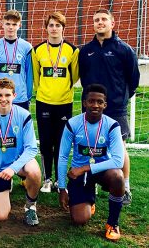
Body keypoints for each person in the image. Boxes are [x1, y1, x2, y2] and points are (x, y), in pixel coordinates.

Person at [79, 9, 140, 205]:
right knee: (92, 147)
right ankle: (92, 186)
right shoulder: (86, 50)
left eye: (104, 19)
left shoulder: (124, 50)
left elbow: (134, 79)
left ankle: (126, 187)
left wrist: (120, 99)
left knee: (119, 148)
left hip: (115, 109)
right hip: (91, 109)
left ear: (112, 24)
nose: (100, 23)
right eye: (96, 20)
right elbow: (83, 76)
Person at [58, 84, 125, 241]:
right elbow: (62, 157)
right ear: (84, 102)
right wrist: (62, 189)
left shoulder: (112, 125)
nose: (95, 105)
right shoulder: (72, 124)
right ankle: (88, 199)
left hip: (101, 172)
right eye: (91, 101)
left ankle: (113, 224)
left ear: (105, 105)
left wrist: (85, 168)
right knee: (79, 219)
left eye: (100, 102)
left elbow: (118, 160)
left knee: (118, 177)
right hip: (78, 174)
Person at [0, 78, 41, 226]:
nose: (3, 99)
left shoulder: (24, 115)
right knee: (1, 216)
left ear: (14, 95)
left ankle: (30, 206)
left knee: (34, 172)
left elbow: (31, 148)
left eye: (7, 95)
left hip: (17, 164)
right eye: (0, 95)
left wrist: (12, 168)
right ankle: (5, 186)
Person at [32, 11, 79, 193]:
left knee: (61, 142)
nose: (54, 28)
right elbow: (36, 78)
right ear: (46, 28)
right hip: (44, 101)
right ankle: (47, 179)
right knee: (45, 141)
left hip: (64, 102)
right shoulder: (37, 50)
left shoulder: (72, 50)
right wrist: (45, 90)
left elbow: (74, 76)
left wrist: (62, 88)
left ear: (63, 28)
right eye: (51, 25)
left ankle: (60, 179)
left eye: (57, 25)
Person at [0, 10, 33, 110]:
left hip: (19, 98)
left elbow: (29, 74)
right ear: (2, 24)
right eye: (8, 24)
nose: (11, 27)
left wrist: (28, 96)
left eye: (14, 24)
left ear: (19, 25)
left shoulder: (27, 47)